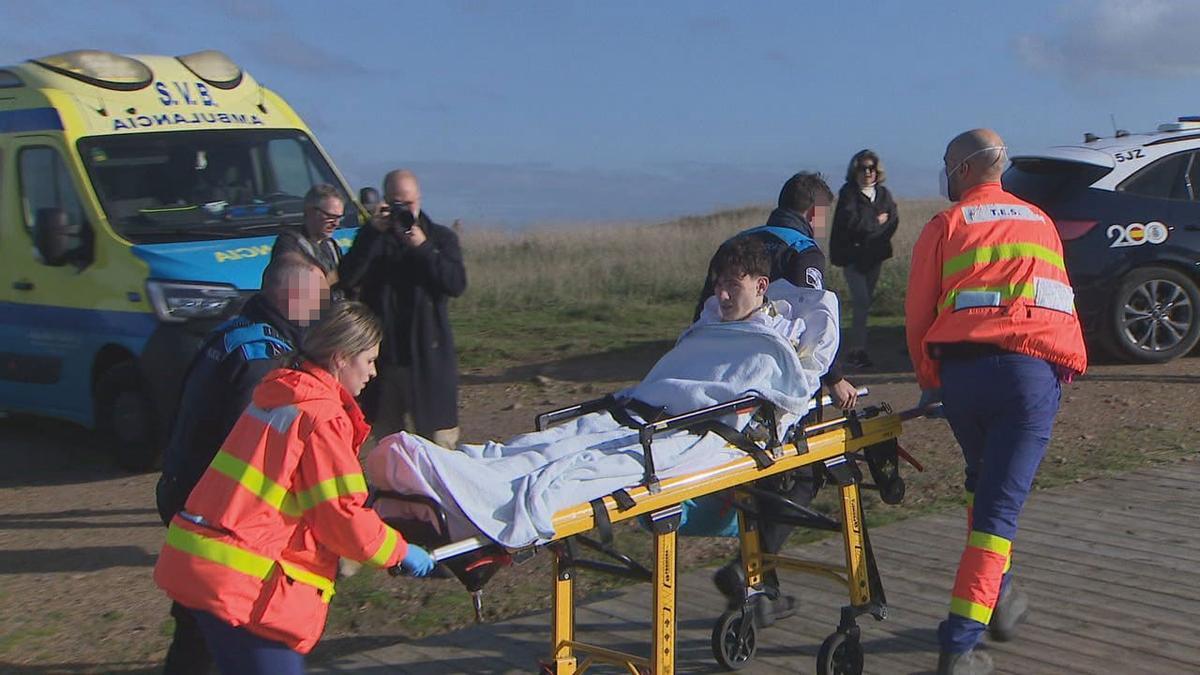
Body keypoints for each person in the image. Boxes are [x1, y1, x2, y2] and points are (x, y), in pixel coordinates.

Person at [154, 301, 436, 675]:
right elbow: (341, 517)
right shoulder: (322, 416)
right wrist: (399, 552)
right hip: (243, 583)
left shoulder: (280, 395)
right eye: (368, 360)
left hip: (206, 563)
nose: (373, 372)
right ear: (340, 358)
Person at [906, 129, 1087, 675]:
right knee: (996, 514)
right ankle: (960, 645)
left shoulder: (947, 224)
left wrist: (931, 380)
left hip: (964, 377)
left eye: (945, 162)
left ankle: (999, 598)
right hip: (1029, 378)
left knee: (982, 484)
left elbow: (919, 312)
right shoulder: (1041, 222)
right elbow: (1056, 299)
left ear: (963, 169)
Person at [696, 173, 861, 623]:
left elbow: (704, 316)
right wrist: (835, 379)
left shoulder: (736, 246)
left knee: (759, 482)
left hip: (725, 385)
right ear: (813, 212)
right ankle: (747, 571)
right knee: (802, 477)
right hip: (778, 390)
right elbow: (813, 323)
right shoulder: (803, 251)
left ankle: (762, 591)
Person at [154, 255, 327, 675]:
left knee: (198, 612)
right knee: (217, 614)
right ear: (293, 296)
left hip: (185, 486)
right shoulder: (263, 356)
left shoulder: (232, 333)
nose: (324, 307)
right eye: (319, 297)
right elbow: (252, 443)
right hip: (215, 508)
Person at [339, 169, 467, 448]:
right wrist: (371, 234)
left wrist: (423, 247)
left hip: (427, 359)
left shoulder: (440, 238)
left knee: (438, 446)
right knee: (388, 445)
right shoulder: (373, 239)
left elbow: (456, 284)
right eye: (397, 203)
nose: (403, 211)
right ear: (385, 201)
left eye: (409, 204)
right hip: (384, 362)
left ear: (419, 199)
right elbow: (347, 278)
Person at [829, 149, 899, 369]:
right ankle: (856, 350)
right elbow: (851, 222)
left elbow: (893, 220)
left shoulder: (883, 194)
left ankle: (858, 346)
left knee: (865, 302)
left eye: (871, 168)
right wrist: (876, 222)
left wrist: (874, 228)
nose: (867, 173)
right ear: (855, 171)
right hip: (853, 257)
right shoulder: (848, 194)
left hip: (874, 256)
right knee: (861, 301)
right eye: (862, 168)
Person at [271, 184, 346, 292]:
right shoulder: (290, 244)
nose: (336, 224)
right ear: (310, 211)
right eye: (330, 217)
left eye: (339, 218)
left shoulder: (331, 246)